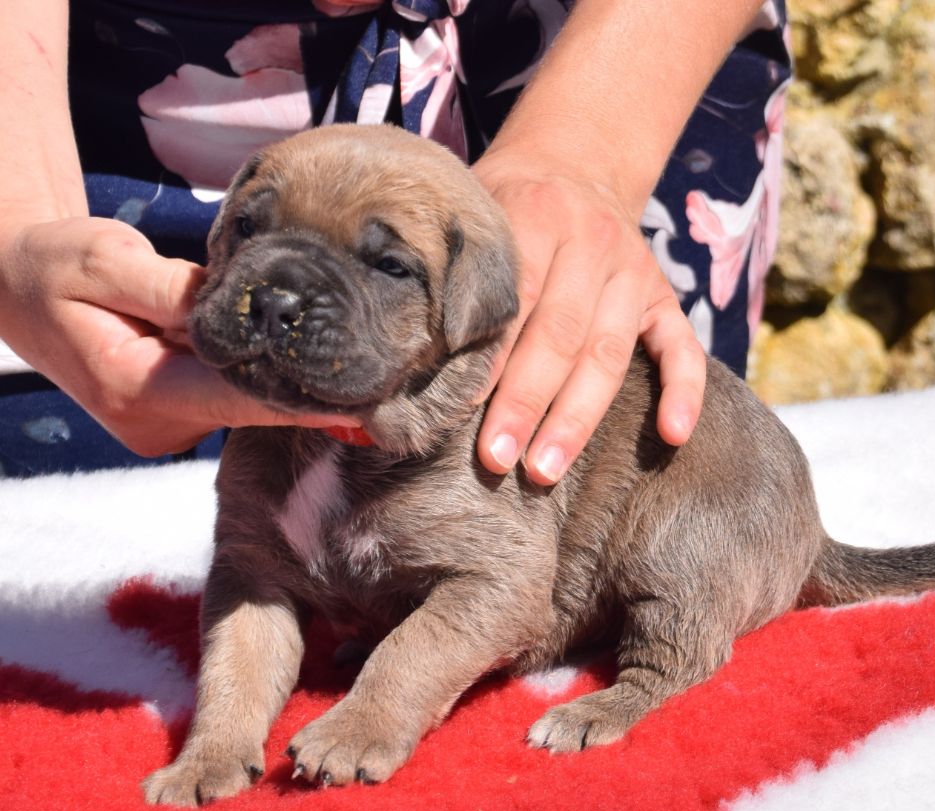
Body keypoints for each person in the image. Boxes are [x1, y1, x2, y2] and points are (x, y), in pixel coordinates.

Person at [0, 0, 790, 480]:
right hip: (121, 82)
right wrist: (18, 209)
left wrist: (586, 156)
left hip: (618, 55)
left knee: (587, 502)